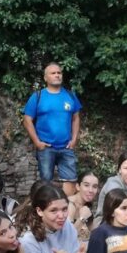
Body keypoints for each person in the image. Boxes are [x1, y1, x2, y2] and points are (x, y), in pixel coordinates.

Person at [22, 62, 82, 195]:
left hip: (66, 147)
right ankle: (48, 206)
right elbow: (27, 120)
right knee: (46, 183)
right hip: (46, 148)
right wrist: (37, 142)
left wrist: (74, 139)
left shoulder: (70, 95)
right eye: (53, 73)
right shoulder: (38, 96)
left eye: (59, 73)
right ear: (45, 78)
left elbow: (76, 118)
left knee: (71, 181)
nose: (57, 75)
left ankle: (67, 207)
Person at [67, 171, 100, 237]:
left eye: (94, 186)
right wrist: (82, 218)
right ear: (78, 186)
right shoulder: (70, 205)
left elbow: (95, 231)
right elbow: (68, 236)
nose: (91, 190)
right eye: (86, 185)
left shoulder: (86, 205)